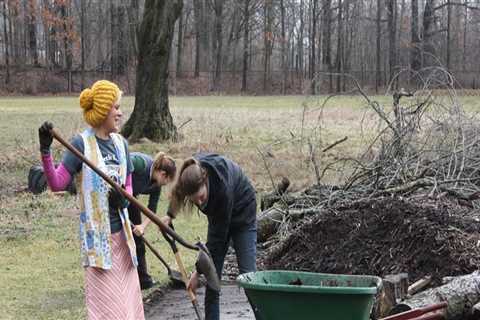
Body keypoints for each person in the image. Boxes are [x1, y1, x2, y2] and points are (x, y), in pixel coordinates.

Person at [38, 80, 144, 320]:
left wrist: (124, 200)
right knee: (108, 313)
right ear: (104, 110)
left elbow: (128, 185)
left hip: (123, 245)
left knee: (129, 311)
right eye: (115, 107)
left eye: (120, 107)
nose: (120, 112)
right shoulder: (80, 145)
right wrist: (45, 151)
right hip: (99, 247)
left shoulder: (122, 145)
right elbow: (57, 184)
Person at [166, 153, 257, 320]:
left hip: (243, 214)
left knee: (248, 276)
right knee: (213, 280)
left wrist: (197, 272)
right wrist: (169, 216)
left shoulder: (221, 189)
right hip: (221, 218)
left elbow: (216, 243)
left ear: (205, 180)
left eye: (201, 198)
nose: (199, 203)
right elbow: (178, 194)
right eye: (194, 201)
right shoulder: (190, 176)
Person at [129, 151, 176, 290]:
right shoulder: (140, 163)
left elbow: (151, 210)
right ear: (163, 174)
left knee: (138, 240)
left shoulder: (156, 185)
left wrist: (142, 226)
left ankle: (143, 280)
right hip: (115, 194)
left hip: (130, 199)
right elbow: (119, 165)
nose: (166, 184)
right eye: (168, 180)